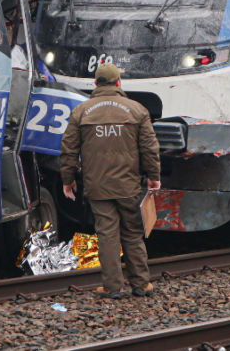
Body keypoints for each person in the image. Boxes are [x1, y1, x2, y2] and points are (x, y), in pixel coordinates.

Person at [60, 63, 161, 299]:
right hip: (129, 185)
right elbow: (149, 149)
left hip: (97, 186)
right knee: (132, 233)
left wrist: (68, 179)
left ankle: (112, 287)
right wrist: (154, 177)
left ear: (96, 84)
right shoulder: (137, 110)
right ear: (118, 83)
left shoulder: (81, 111)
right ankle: (142, 284)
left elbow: (68, 150)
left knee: (107, 234)